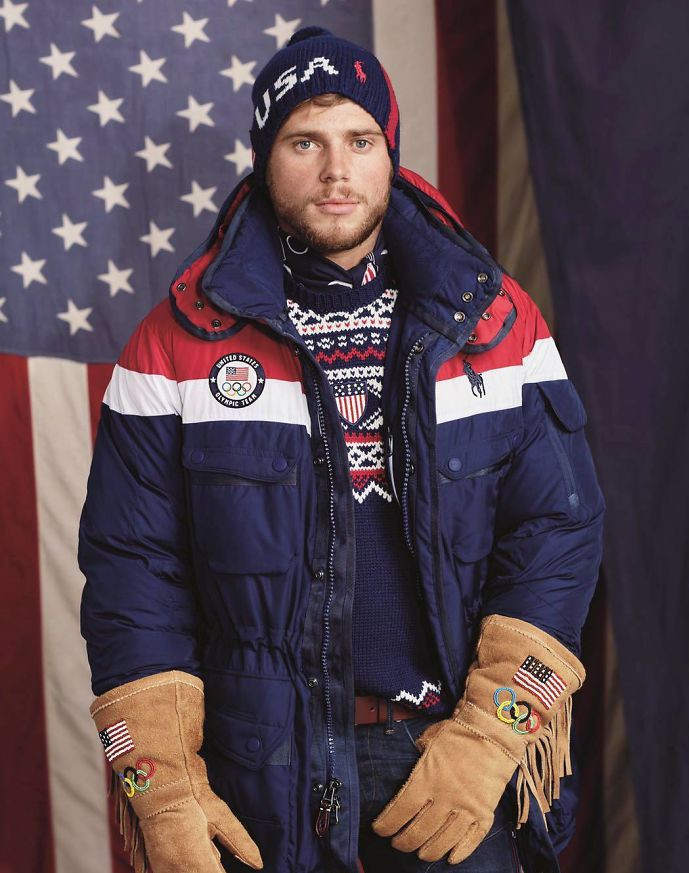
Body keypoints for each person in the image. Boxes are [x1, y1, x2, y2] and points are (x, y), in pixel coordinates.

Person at [79, 25, 605, 873]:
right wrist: (161, 781)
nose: (336, 171)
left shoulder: (493, 322)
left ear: (389, 152)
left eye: (360, 141)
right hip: (263, 771)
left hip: (446, 754)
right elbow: (133, 569)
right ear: (264, 157)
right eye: (305, 142)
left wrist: (494, 731)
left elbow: (557, 532)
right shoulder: (176, 343)